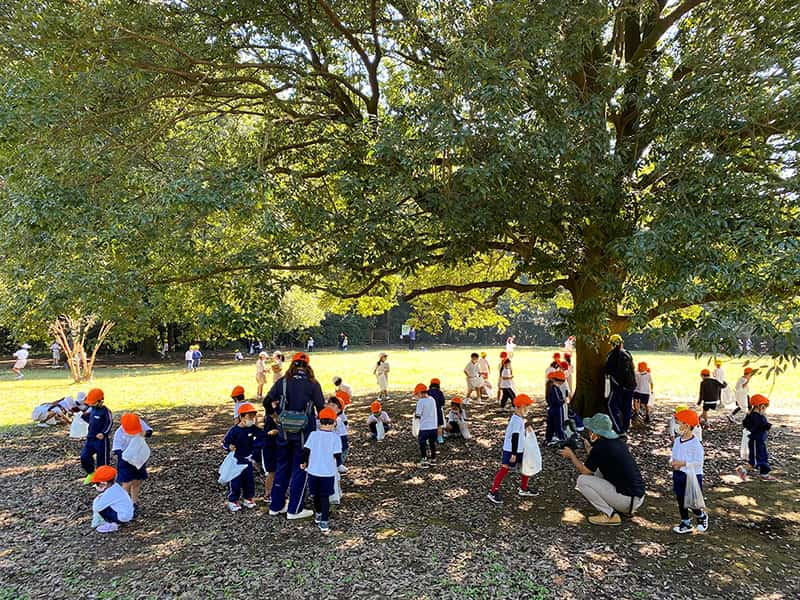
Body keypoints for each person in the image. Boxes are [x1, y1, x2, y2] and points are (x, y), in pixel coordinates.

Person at [265, 352, 325, 519]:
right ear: (308, 366)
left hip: (284, 432)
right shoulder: (313, 383)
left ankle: (276, 506)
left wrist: (275, 416)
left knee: (282, 467)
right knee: (301, 467)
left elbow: (266, 401)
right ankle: (295, 509)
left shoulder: (282, 382)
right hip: (304, 434)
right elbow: (321, 408)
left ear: (293, 364)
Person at [558, 413, 646, 526]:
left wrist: (571, 455)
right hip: (637, 498)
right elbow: (602, 461)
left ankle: (609, 515)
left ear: (596, 432)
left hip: (627, 501)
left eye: (590, 429)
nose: (588, 431)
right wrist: (590, 449)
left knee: (582, 480)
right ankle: (621, 510)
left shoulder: (600, 447)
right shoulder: (617, 443)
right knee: (598, 471)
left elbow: (585, 471)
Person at [487, 394, 538, 504]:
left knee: (525, 466)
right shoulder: (516, 419)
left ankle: (524, 488)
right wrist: (513, 453)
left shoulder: (519, 418)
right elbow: (514, 436)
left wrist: (526, 426)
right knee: (504, 468)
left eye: (528, 407)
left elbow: (519, 433)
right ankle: (493, 491)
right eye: (525, 407)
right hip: (511, 450)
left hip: (519, 449)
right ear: (518, 407)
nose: (527, 409)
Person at [301, 407, 342, 533]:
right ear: (334, 422)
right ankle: (324, 521)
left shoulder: (313, 435)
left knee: (315, 494)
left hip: (313, 471)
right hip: (327, 472)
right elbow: (337, 456)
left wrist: (304, 462)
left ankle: (318, 513)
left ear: (319, 421)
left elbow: (306, 450)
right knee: (325, 496)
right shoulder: (335, 438)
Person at [670, 409, 709, 534]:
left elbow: (698, 462)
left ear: (686, 426)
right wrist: (673, 462)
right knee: (681, 499)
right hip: (679, 474)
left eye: (678, 423)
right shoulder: (677, 441)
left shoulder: (695, 444)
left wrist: (683, 463)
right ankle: (685, 522)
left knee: (692, 501)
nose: (676, 425)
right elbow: (674, 455)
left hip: (692, 475)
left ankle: (701, 516)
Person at [222, 402, 266, 512]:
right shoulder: (234, 430)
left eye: (253, 416)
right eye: (249, 417)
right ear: (241, 417)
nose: (252, 419)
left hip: (248, 459)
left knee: (249, 481)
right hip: (236, 460)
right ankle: (233, 500)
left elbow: (262, 436)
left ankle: (248, 498)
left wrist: (256, 448)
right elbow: (225, 442)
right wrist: (229, 446)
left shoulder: (253, 428)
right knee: (235, 481)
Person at [112, 413, 153, 516]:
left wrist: (145, 433)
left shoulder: (139, 422)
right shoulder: (119, 433)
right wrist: (127, 456)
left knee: (137, 481)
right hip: (125, 460)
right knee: (126, 483)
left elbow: (149, 432)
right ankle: (124, 505)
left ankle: (134, 502)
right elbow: (116, 449)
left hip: (138, 457)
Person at [738, 394, 777, 481]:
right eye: (764, 408)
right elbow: (757, 426)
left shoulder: (758, 415)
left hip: (760, 441)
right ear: (760, 406)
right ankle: (743, 470)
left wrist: (764, 420)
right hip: (755, 441)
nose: (765, 410)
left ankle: (765, 474)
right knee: (755, 460)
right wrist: (767, 425)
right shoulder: (754, 416)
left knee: (764, 457)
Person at [604, 334, 636, 434]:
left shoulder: (611, 355)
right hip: (630, 386)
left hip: (618, 387)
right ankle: (625, 428)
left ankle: (618, 429)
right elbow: (632, 368)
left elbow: (607, 371)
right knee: (627, 407)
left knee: (611, 405)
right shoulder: (628, 354)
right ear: (622, 343)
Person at [88, 466, 134, 533]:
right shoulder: (115, 487)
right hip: (127, 514)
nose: (96, 486)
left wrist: (97, 500)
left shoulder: (110, 493)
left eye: (97, 484)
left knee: (102, 509)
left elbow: (97, 508)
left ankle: (112, 524)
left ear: (104, 484)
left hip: (122, 517)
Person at [80, 388, 113, 474]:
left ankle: (104, 478)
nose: (91, 404)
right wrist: (84, 416)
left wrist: (103, 433)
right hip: (90, 438)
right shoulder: (92, 409)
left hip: (101, 441)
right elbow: (91, 421)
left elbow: (109, 423)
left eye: (93, 402)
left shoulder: (105, 411)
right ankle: (91, 473)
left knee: (102, 461)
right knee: (84, 457)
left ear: (100, 401)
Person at [260, 396, 280, 503]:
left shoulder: (275, 412)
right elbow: (269, 432)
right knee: (272, 472)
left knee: (276, 471)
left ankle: (274, 491)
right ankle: (268, 493)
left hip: (275, 446)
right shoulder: (270, 416)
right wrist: (277, 431)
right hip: (270, 446)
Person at [413, 383, 438, 468]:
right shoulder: (432, 399)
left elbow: (418, 415)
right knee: (432, 443)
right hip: (434, 426)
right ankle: (433, 459)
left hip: (424, 427)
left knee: (422, 443)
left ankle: (424, 460)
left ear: (420, 393)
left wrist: (415, 416)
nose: (416, 396)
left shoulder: (420, 401)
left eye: (416, 394)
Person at [545, 370, 567, 445]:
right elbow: (558, 401)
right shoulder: (555, 388)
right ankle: (563, 439)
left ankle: (549, 438)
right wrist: (563, 400)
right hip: (557, 409)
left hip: (551, 409)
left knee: (550, 425)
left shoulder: (549, 387)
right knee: (559, 425)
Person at [427, 378, 446, 444]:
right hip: (438, 411)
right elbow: (443, 402)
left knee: (429, 425)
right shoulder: (440, 392)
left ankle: (429, 439)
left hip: (429, 412)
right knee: (439, 426)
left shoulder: (428, 392)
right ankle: (440, 438)